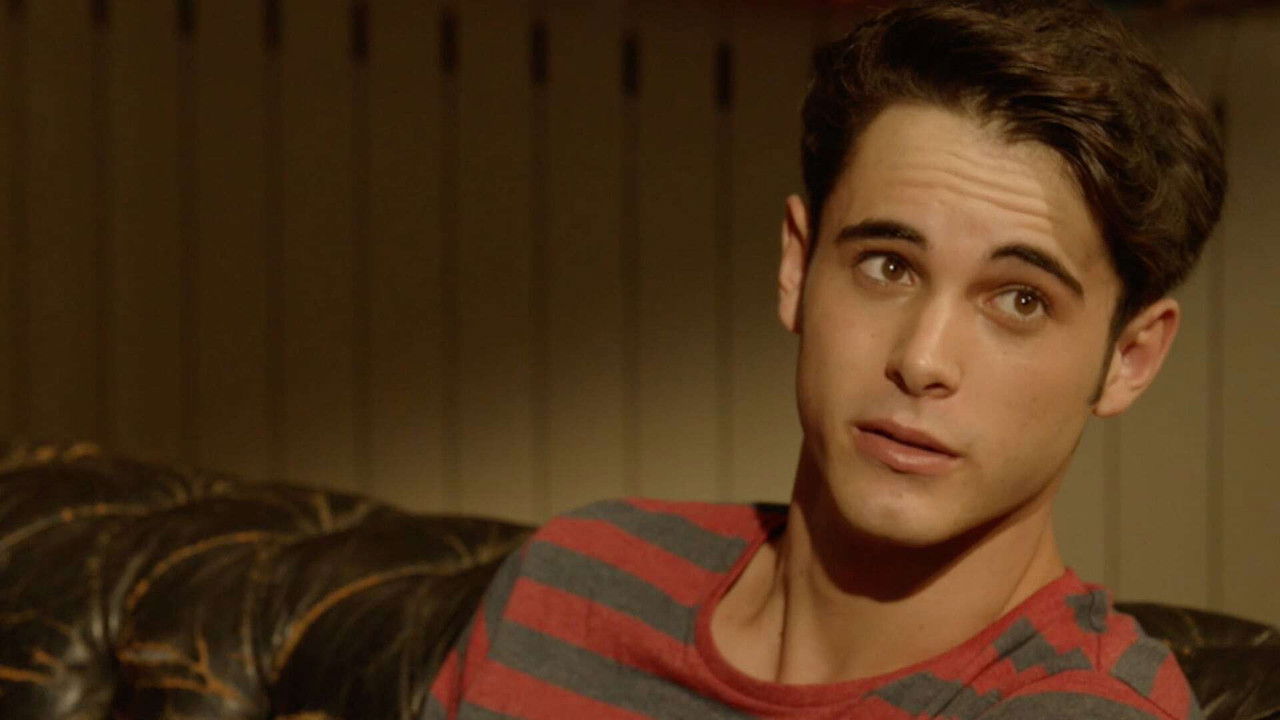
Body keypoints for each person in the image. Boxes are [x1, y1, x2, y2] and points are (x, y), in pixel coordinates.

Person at [427, 0, 1225, 717]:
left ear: (1129, 359)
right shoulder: (573, 585)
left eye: (1020, 300)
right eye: (888, 266)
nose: (922, 360)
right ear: (796, 268)